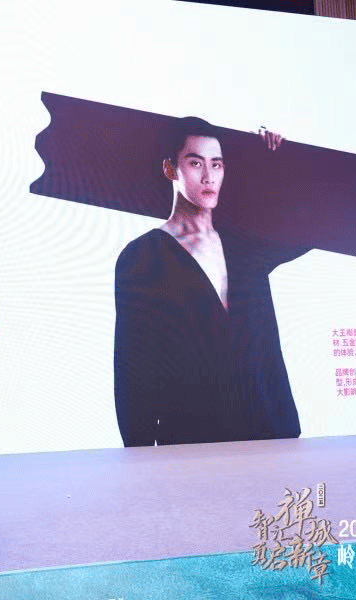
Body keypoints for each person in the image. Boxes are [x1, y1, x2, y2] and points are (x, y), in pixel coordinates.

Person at [114, 118, 304, 447]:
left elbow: (309, 228)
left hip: (272, 435)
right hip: (194, 445)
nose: (208, 176)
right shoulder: (142, 257)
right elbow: (134, 371)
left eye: (216, 164)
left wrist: (275, 160)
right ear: (170, 168)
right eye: (195, 163)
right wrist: (140, 457)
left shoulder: (246, 246)